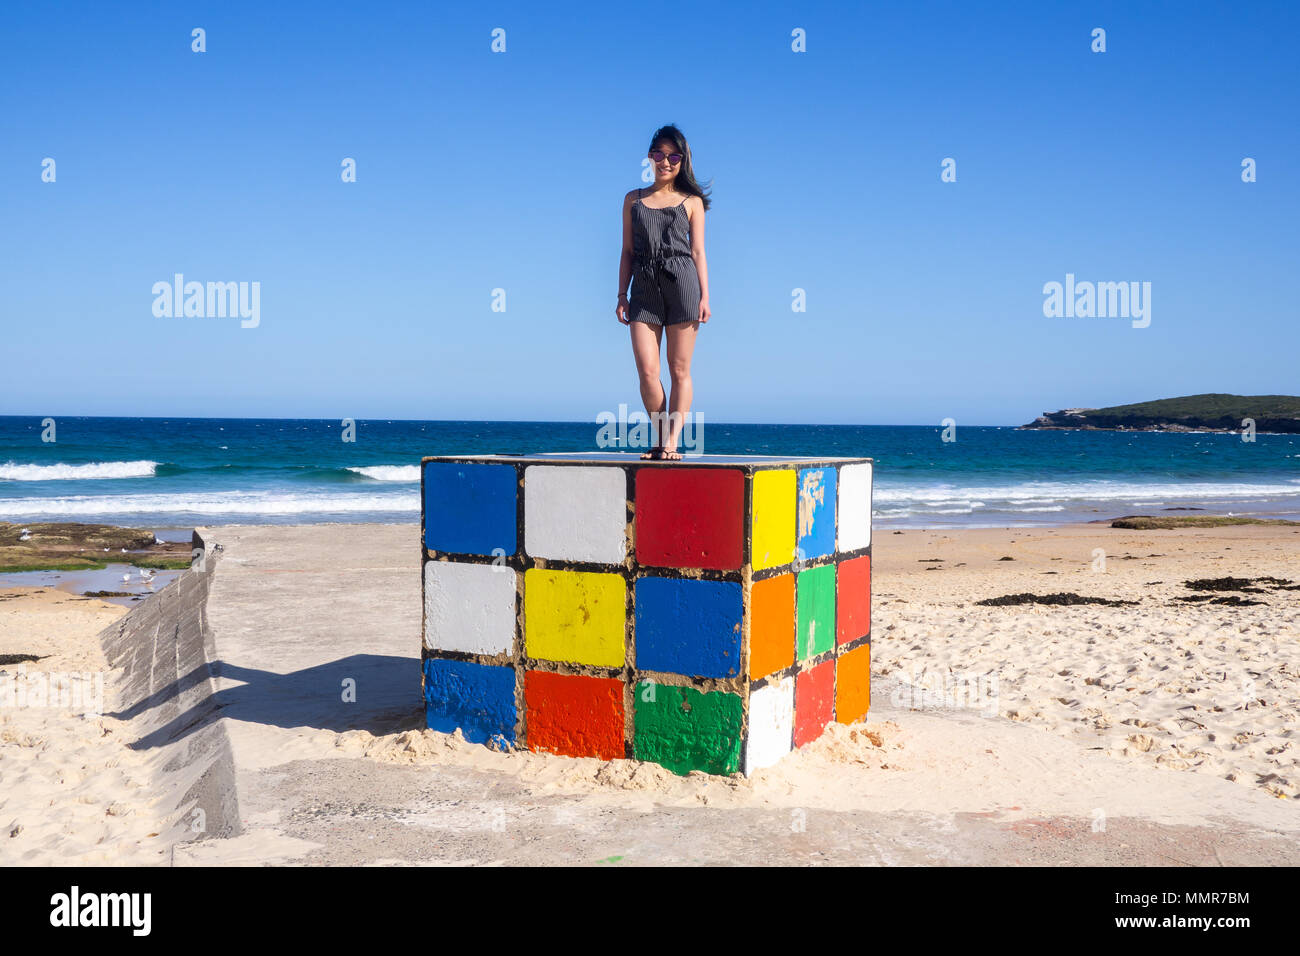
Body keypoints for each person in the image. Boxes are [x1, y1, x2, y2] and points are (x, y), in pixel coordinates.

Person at [616, 124, 712, 460]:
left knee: (679, 370)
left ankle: (671, 442)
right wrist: (621, 295)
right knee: (647, 370)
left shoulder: (692, 202)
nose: (665, 161)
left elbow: (698, 252)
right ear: (650, 158)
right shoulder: (633, 200)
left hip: (682, 284)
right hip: (642, 286)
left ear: (682, 160)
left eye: (673, 156)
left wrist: (705, 296)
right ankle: (659, 438)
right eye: (659, 154)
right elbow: (627, 251)